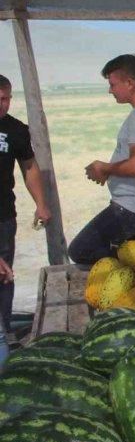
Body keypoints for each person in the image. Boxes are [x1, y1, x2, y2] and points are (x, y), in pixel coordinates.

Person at [68, 55, 135, 267]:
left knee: (80, 251)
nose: (110, 91)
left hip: (132, 208)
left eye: (113, 84)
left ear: (130, 83)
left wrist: (103, 167)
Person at [0, 74, 51, 333]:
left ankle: (3, 336)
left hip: (4, 219)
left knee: (4, 277)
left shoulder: (16, 130)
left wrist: (41, 203)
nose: (3, 104)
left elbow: (29, 167)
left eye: (6, 99)